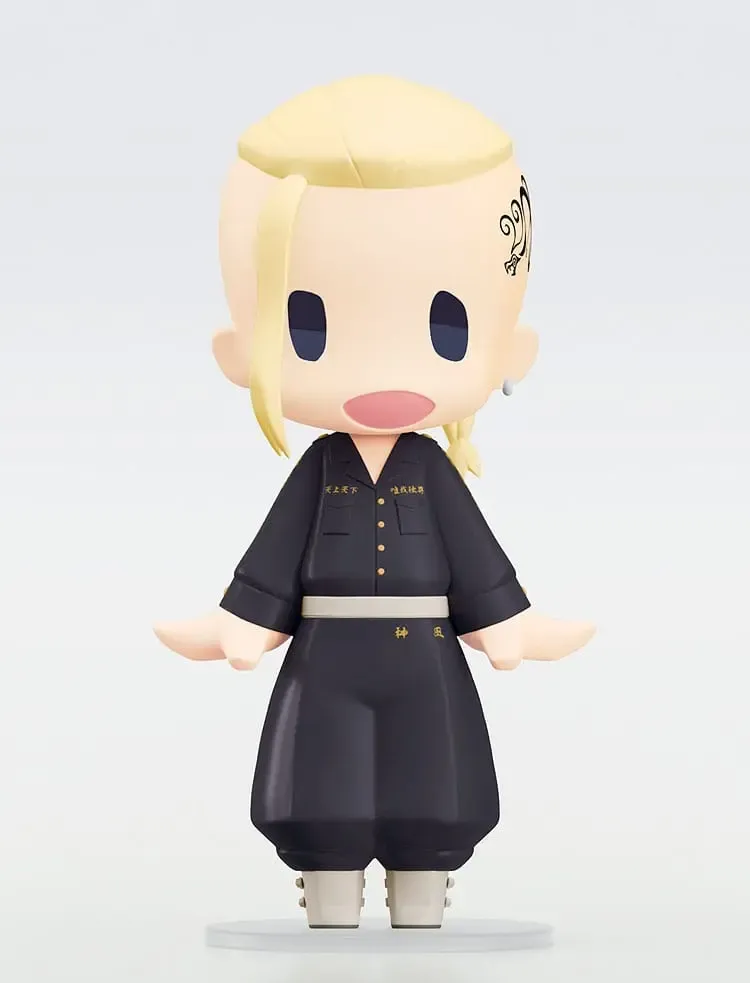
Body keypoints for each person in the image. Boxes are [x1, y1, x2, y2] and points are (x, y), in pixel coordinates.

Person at [154, 75, 595, 930]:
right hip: (324, 659)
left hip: (428, 657)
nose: (384, 377)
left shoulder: (430, 471)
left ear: (511, 345)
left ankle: (424, 890)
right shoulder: (320, 471)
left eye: (448, 328)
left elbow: (475, 562)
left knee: (434, 784)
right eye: (308, 327)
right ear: (242, 348)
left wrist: (508, 625)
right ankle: (326, 890)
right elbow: (276, 556)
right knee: (320, 787)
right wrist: (241, 623)